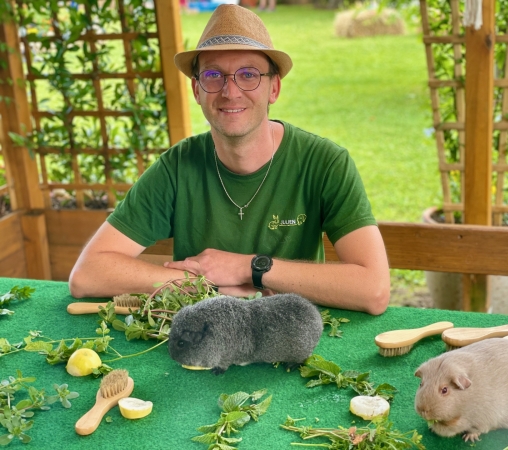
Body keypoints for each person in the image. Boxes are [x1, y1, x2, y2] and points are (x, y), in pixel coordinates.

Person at [68, 5, 390, 315]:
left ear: (273, 88)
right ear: (197, 90)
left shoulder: (324, 163)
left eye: (248, 74)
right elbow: (87, 274)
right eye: (213, 75)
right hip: (202, 341)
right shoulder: (177, 168)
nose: (230, 91)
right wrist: (201, 284)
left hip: (294, 338)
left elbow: (374, 290)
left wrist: (246, 267)